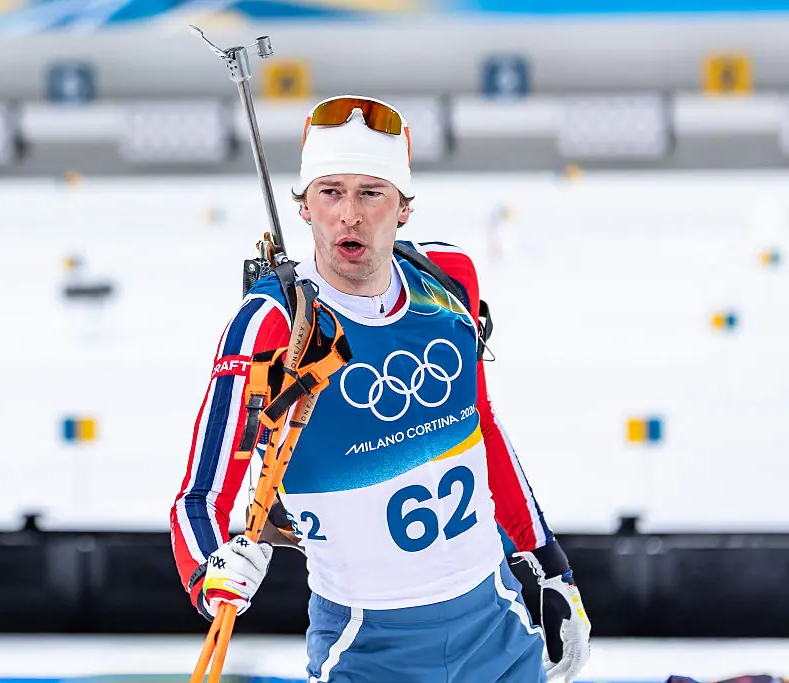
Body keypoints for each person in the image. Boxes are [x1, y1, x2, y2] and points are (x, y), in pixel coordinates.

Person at [170, 96, 591, 683]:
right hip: (367, 644)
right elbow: (200, 495)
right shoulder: (271, 324)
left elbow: (484, 429)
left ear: (403, 208)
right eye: (331, 192)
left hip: (496, 621)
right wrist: (209, 570)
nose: (350, 215)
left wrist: (551, 570)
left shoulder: (448, 283)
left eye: (372, 192)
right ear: (305, 206)